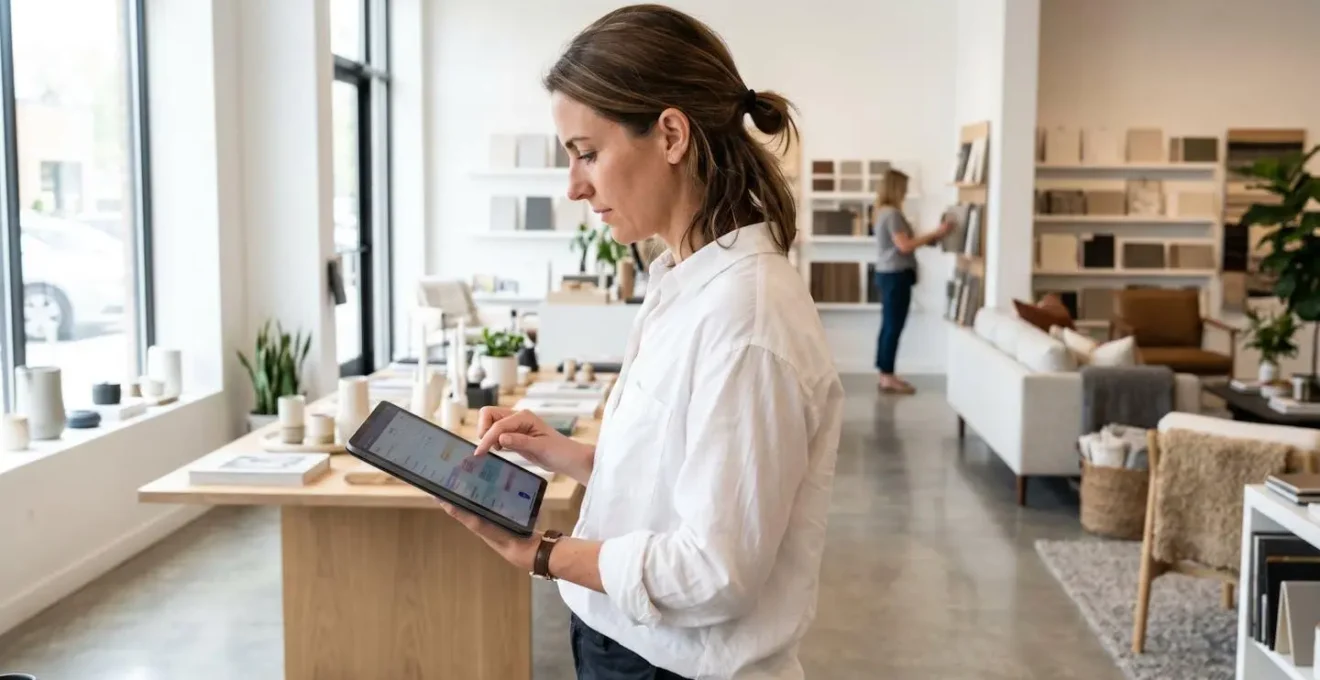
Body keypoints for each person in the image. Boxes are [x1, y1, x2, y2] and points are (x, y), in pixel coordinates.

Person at [435, 5, 844, 679]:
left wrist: (541, 553)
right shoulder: (682, 281)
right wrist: (564, 454)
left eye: (587, 154)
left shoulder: (747, 321)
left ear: (672, 134)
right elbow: (680, 478)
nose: (573, 186)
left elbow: (716, 570)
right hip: (624, 643)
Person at [872, 170, 953, 394]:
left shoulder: (881, 212)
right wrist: (937, 232)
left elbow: (904, 243)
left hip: (887, 274)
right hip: (895, 275)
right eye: (904, 187)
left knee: (888, 325)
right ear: (896, 188)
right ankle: (888, 377)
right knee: (893, 327)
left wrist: (934, 237)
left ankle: (885, 374)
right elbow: (905, 246)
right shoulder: (893, 214)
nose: (906, 192)